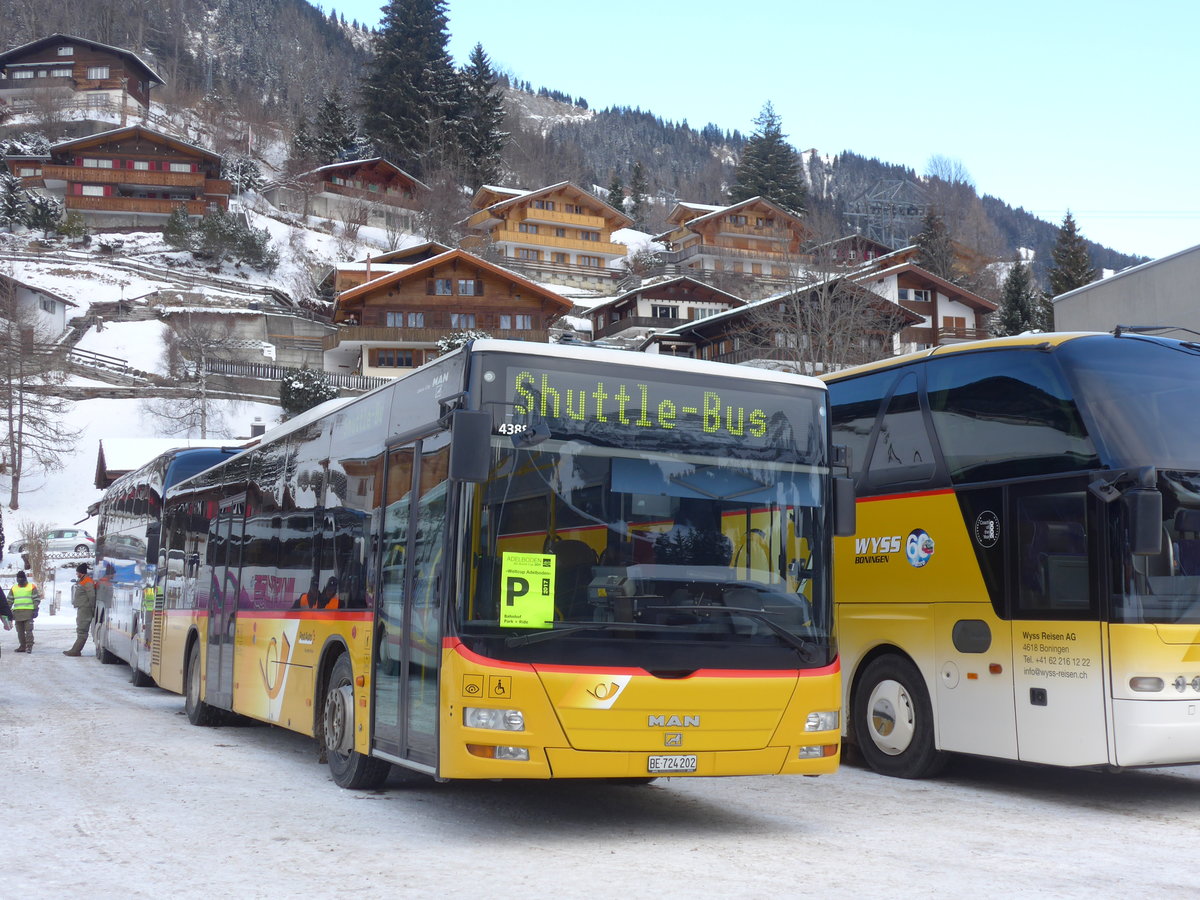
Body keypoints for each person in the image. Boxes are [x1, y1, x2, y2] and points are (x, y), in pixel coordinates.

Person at [64, 562, 97, 657]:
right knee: (80, 628)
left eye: (77, 572)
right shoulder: (83, 580)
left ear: (81, 573)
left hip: (85, 608)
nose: (76, 574)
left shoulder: (87, 581)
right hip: (83, 607)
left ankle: (76, 650)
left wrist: (92, 607)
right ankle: (75, 649)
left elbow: (91, 595)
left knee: (82, 629)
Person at [9, 570, 42, 653]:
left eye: (22, 578)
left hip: (28, 612)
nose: (20, 580)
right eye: (19, 578)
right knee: (20, 631)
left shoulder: (31, 587)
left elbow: (36, 599)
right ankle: (22, 646)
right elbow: (9, 600)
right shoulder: (14, 588)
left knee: (28, 630)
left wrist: (35, 609)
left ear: (25, 578)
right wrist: (7, 611)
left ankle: (29, 646)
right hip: (17, 613)